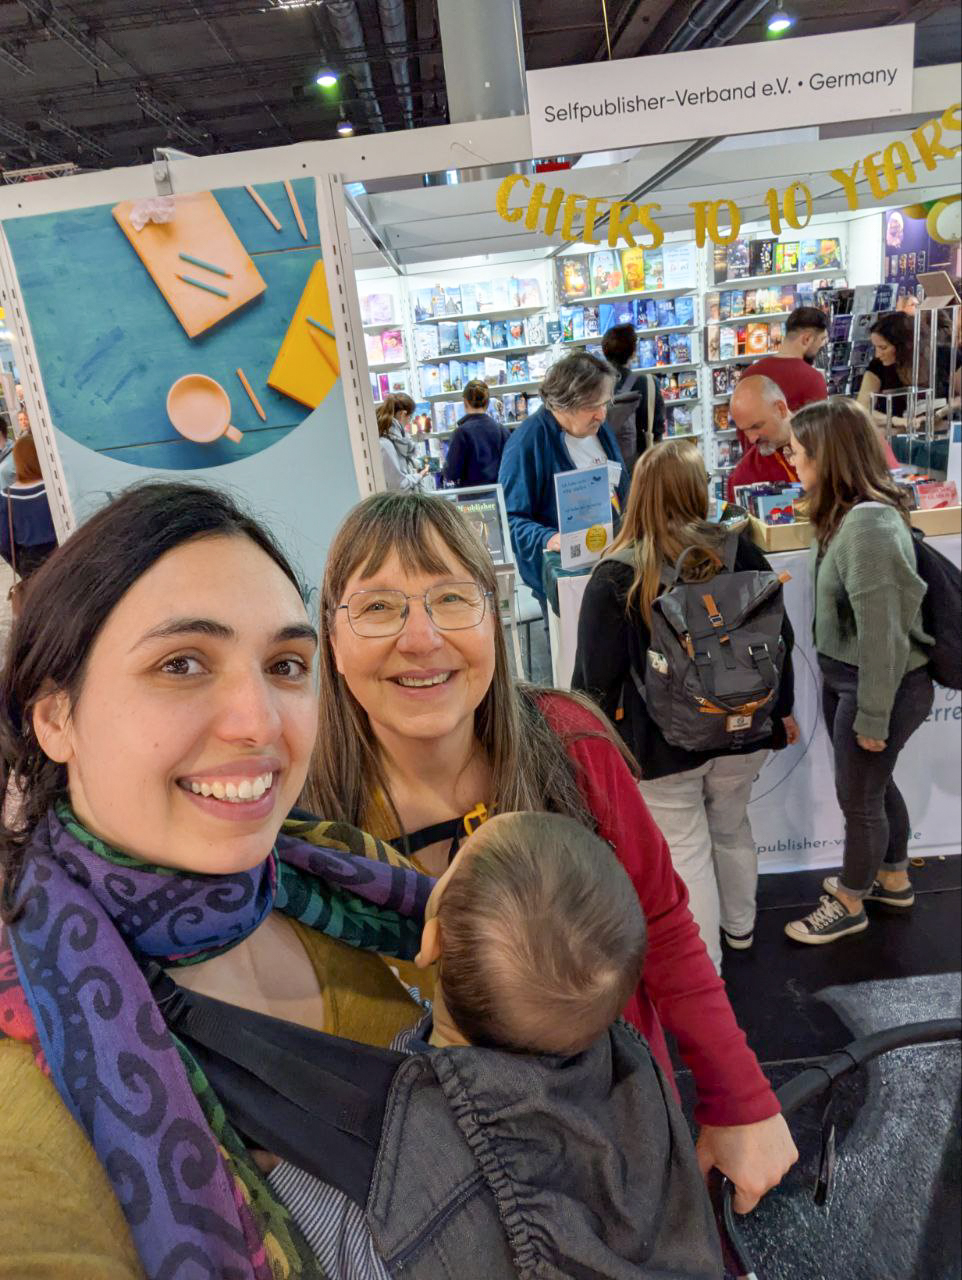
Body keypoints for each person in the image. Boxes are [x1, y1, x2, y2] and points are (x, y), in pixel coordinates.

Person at [306, 489, 798, 1214]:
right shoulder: (308, 817)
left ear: (495, 620)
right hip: (431, 1189)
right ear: (332, 637)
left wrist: (741, 1100)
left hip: (614, 1145)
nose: (421, 638)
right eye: (378, 607)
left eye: (451, 597)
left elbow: (660, 925)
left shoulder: (570, 745)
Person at [0, 481, 441, 1277]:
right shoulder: (21, 1110)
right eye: (181, 663)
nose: (261, 720)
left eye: (285, 664)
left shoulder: (346, 877)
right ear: (55, 716)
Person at [251, 812, 724, 1278]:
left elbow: (352, 1250)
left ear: (431, 941)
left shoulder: (409, 1136)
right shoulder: (628, 1065)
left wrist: (283, 1171)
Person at [572, 440, 798, 970]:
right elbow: (781, 639)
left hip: (661, 743)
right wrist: (780, 710)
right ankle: (740, 929)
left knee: (685, 847)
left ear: (637, 497)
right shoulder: (741, 551)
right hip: (746, 727)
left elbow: (593, 682)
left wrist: (593, 751)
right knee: (732, 825)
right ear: (699, 492)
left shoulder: (620, 574)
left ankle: (705, 966)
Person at [783, 400, 934, 945]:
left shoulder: (867, 525)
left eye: (798, 453)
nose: (791, 462)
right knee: (872, 786)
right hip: (853, 679)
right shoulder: (851, 516)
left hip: (877, 685)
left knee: (860, 799)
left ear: (830, 456)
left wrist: (873, 714)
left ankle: (851, 899)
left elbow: (883, 632)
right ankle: (891, 876)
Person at [499, 351, 629, 599]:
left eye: (605, 403)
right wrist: (549, 538)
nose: (602, 415)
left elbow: (621, 486)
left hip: (615, 566)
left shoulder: (599, 430)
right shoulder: (527, 443)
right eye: (592, 406)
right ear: (563, 402)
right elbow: (510, 520)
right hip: (566, 583)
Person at [601, 322, 665, 475]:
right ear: (633, 352)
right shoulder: (648, 383)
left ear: (605, 351)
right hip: (641, 467)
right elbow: (657, 429)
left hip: (604, 467)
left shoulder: (592, 383)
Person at [726, 375, 799, 501]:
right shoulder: (743, 478)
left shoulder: (828, 442)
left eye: (756, 426)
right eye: (744, 430)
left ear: (781, 409)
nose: (751, 439)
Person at [746, 306, 829, 410]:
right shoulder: (813, 380)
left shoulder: (750, 374)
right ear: (807, 339)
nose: (821, 345)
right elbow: (821, 425)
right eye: (821, 339)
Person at [0, 433, 57, 578]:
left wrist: (19, 566)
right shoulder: (56, 488)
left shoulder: (6, 497)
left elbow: (4, 542)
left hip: (31, 564)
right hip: (66, 553)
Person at [442, 380, 509, 487]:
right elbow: (510, 466)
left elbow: (452, 473)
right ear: (487, 402)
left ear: (465, 402)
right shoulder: (501, 430)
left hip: (470, 498)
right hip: (498, 495)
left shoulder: (461, 433)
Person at [857, 311, 916, 419]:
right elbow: (862, 408)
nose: (877, 354)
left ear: (904, 344)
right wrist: (893, 421)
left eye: (883, 348)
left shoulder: (935, 359)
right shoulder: (877, 366)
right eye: (875, 347)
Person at [377, 393, 431, 492]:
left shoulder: (398, 442)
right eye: (409, 417)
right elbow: (399, 485)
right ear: (403, 414)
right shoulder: (386, 444)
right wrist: (419, 475)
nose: (409, 422)